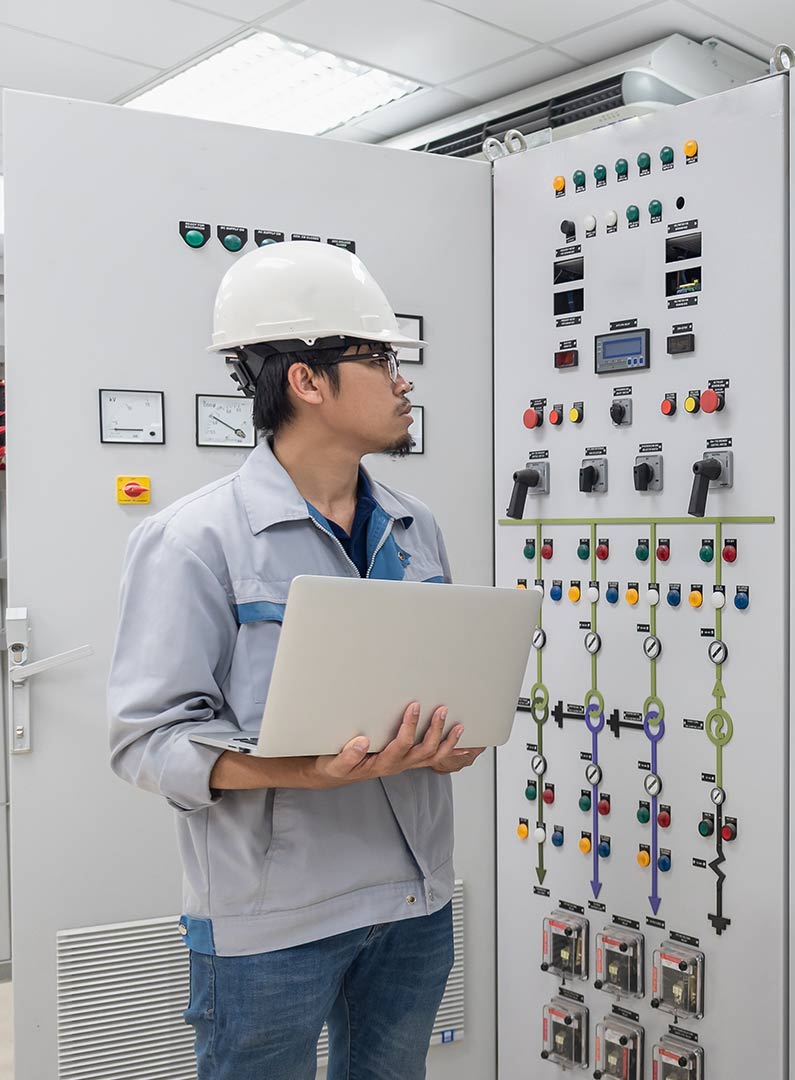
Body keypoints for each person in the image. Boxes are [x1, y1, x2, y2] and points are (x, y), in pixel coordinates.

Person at [106, 241, 481, 1080]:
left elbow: (438, 684)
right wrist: (300, 769)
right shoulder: (192, 541)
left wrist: (457, 734)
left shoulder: (415, 526)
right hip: (271, 922)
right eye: (380, 359)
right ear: (307, 382)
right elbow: (145, 742)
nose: (403, 379)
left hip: (415, 902)